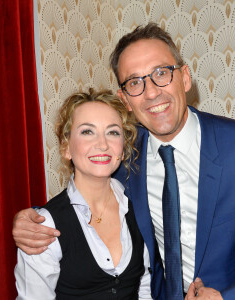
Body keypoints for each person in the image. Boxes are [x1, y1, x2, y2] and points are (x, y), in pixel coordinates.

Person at [13, 23, 235, 300]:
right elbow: (85, 190)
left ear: (185, 78)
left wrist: (230, 298)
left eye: (161, 73)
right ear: (125, 99)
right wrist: (32, 219)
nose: (151, 92)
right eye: (135, 82)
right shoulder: (122, 153)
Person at [14, 89, 152, 299]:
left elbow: (143, 286)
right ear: (66, 148)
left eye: (113, 132)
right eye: (88, 131)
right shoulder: (43, 228)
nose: (103, 144)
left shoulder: (138, 206)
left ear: (123, 149)